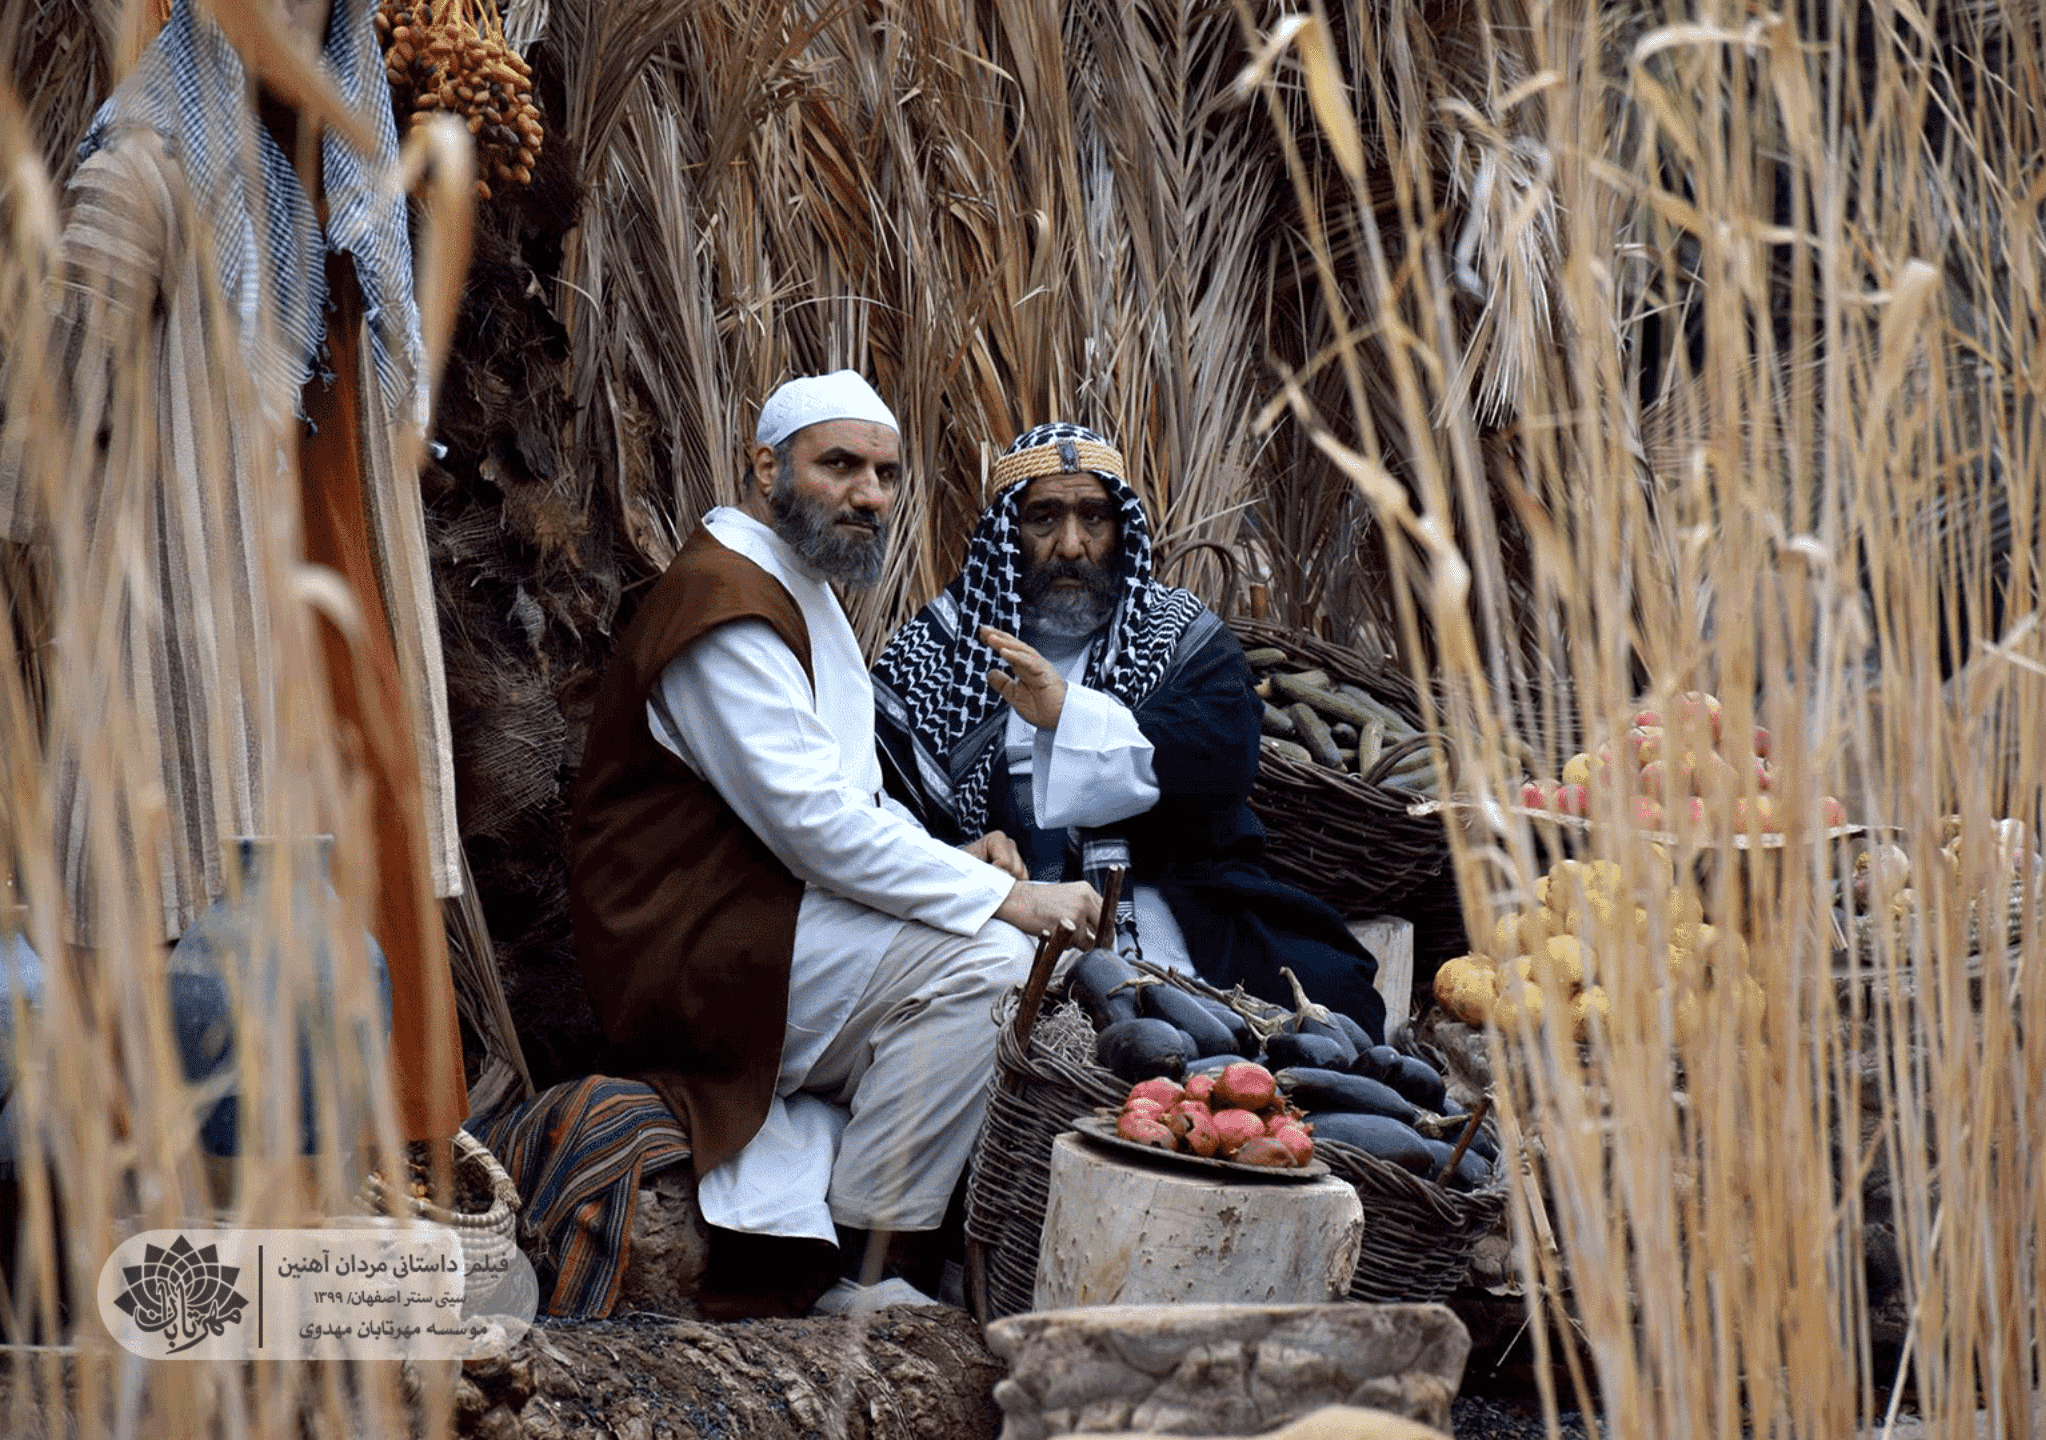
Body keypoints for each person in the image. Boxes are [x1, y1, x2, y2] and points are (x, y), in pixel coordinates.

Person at [0, 0, 467, 1153]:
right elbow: (39, 456)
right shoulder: (148, 164)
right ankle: (179, 1210)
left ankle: (373, 1188)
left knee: (366, 867)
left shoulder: (358, 180)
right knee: (194, 873)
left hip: (345, 604)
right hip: (198, 615)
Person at [567, 372, 1100, 1317]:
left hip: (763, 915)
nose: (870, 494)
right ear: (767, 466)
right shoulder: (720, 607)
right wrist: (1002, 896)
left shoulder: (788, 585)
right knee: (986, 962)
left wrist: (953, 863)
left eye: (886, 474)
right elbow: (813, 827)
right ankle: (864, 1269)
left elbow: (847, 796)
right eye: (840, 465)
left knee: (992, 952)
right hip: (696, 947)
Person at [873, 421, 1388, 1041]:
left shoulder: (1178, 637)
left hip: (1170, 902)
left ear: (1121, 530)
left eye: (1093, 517)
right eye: (1044, 519)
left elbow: (1220, 767)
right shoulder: (931, 654)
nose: (1071, 544)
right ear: (1008, 532)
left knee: (1327, 1010)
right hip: (993, 926)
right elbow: (876, 818)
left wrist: (1067, 714)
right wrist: (963, 860)